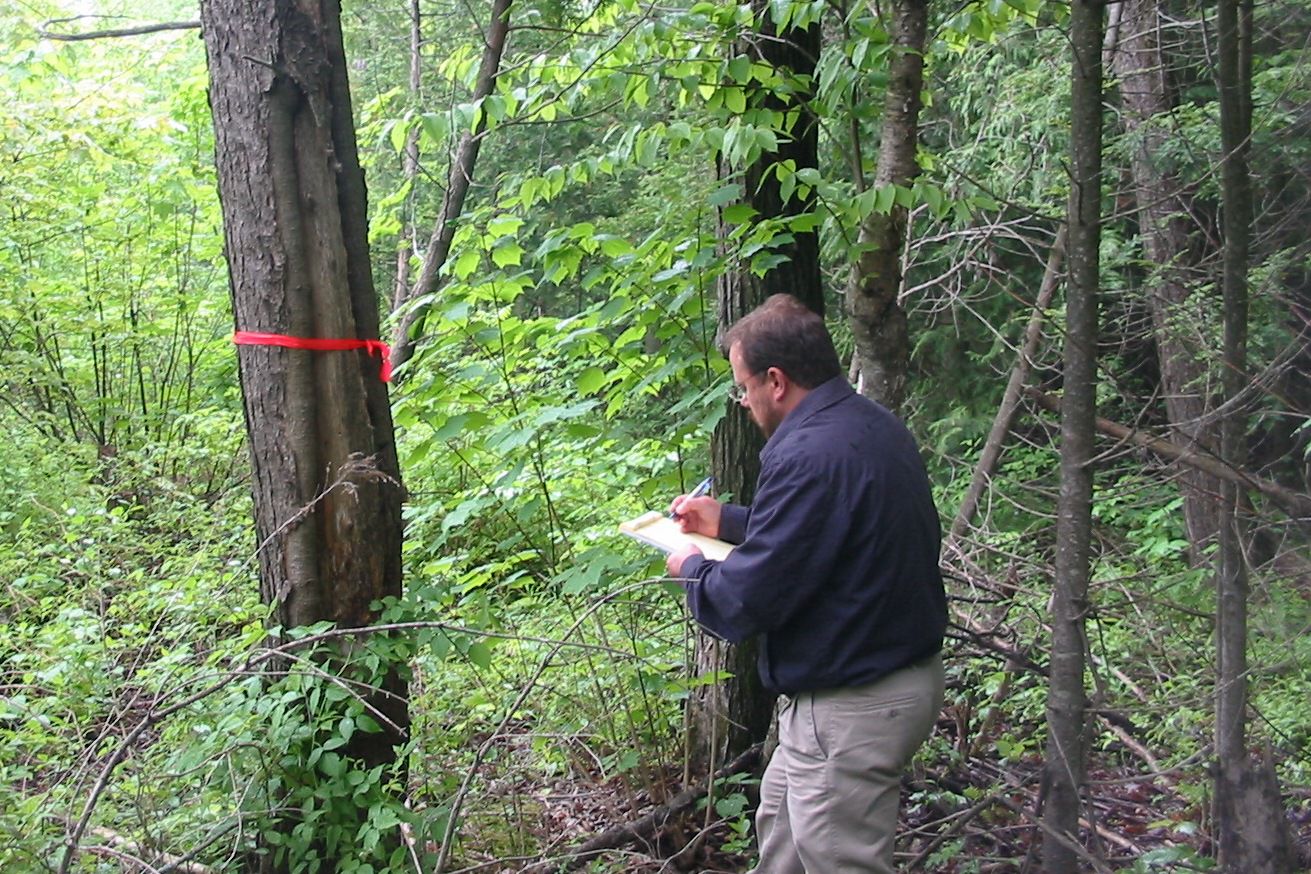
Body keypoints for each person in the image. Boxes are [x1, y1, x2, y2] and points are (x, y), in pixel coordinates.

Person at [666, 293, 947, 874]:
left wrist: (690, 566)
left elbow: (745, 600)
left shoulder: (806, 452)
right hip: (877, 681)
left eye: (742, 387)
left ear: (775, 381)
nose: (742, 402)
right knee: (784, 843)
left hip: (853, 702)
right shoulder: (867, 425)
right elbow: (828, 532)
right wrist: (728, 521)